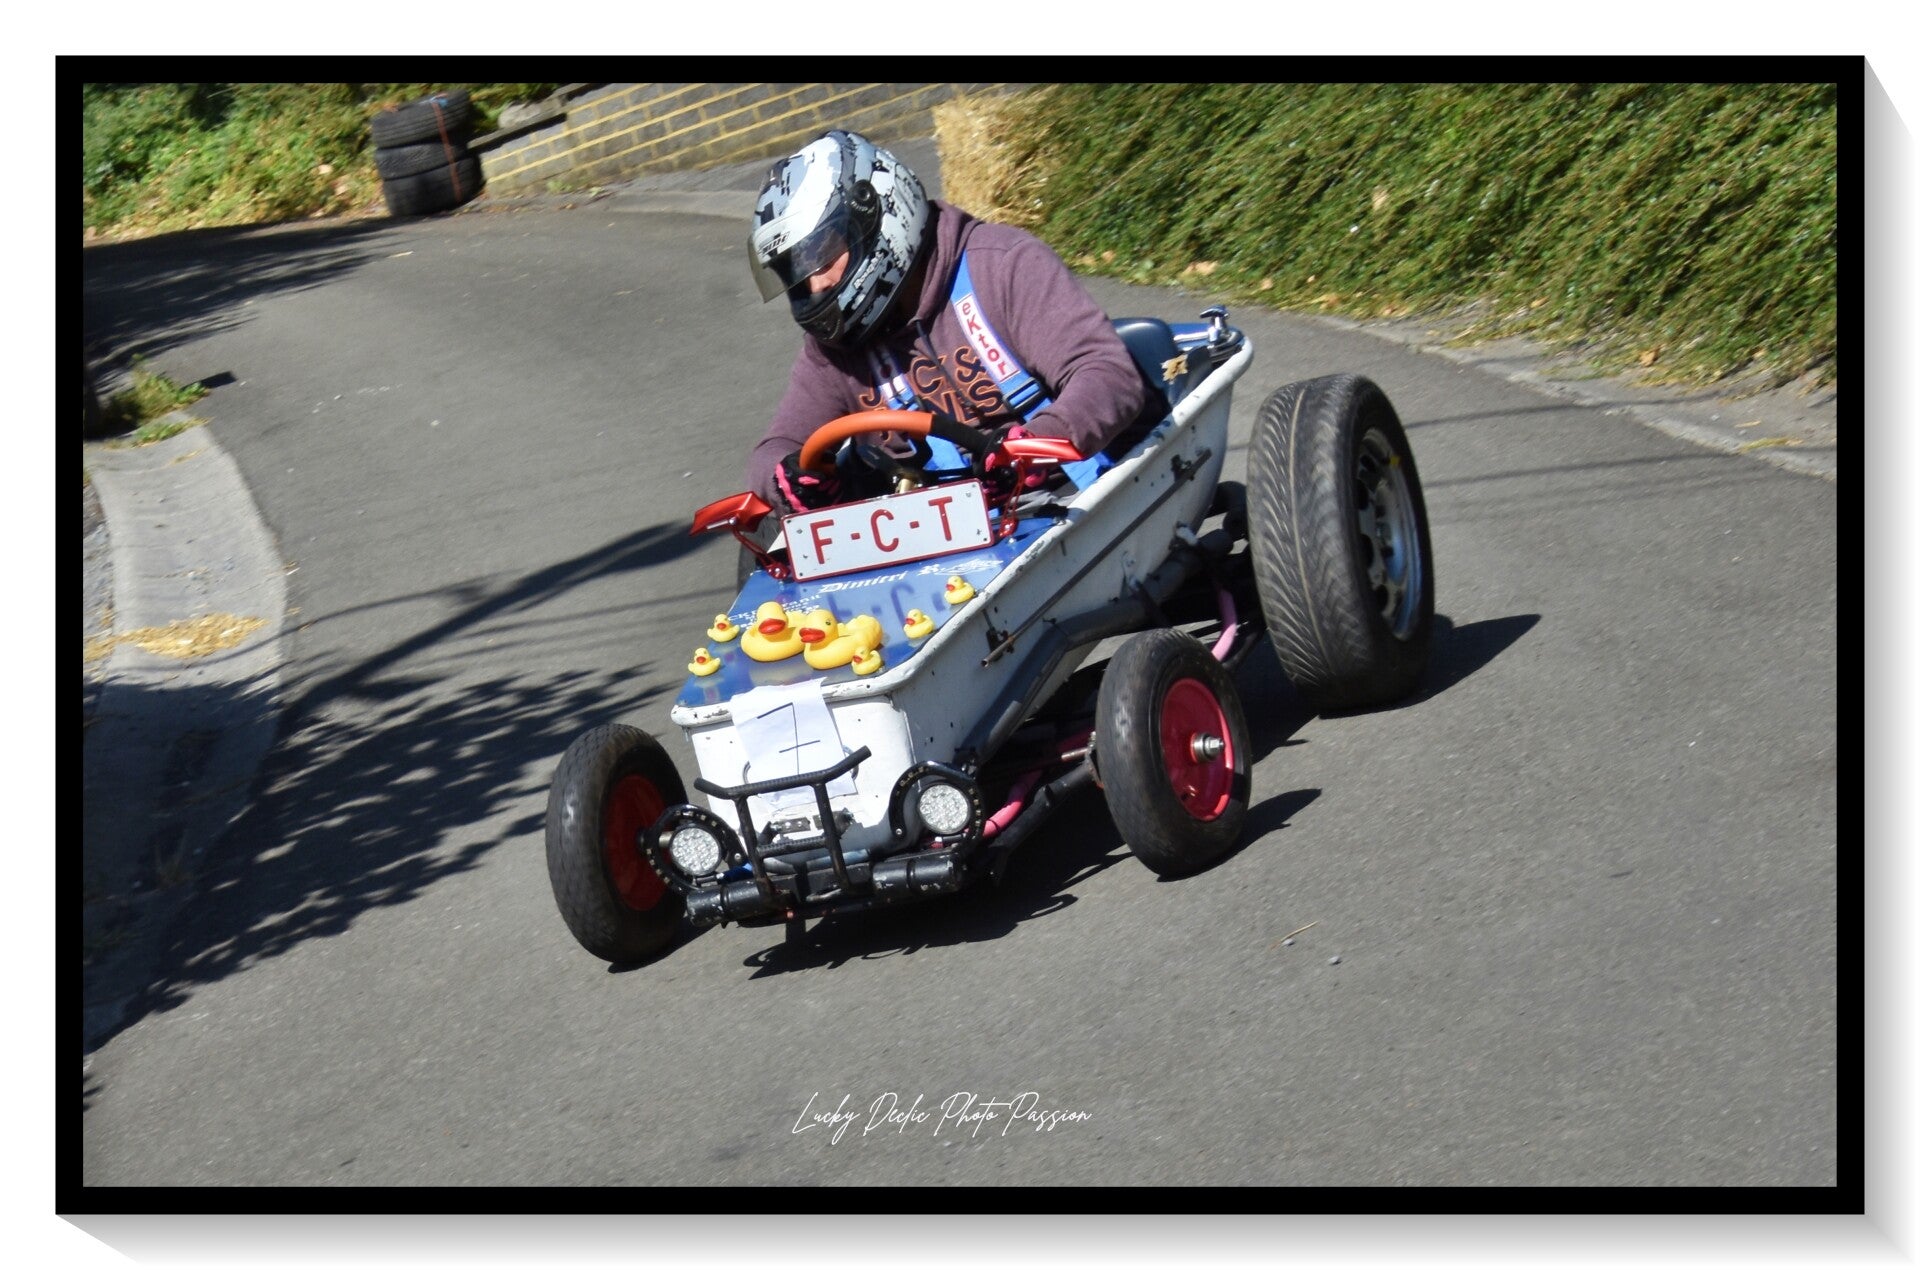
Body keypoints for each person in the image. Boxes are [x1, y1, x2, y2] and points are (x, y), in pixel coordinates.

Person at [745, 129, 1159, 514]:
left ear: (876, 214)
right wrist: (790, 477)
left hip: (1080, 497)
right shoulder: (833, 351)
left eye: (822, 256)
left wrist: (1036, 443)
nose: (815, 284)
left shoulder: (1003, 265)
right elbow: (774, 449)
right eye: (795, 271)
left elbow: (1107, 374)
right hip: (955, 532)